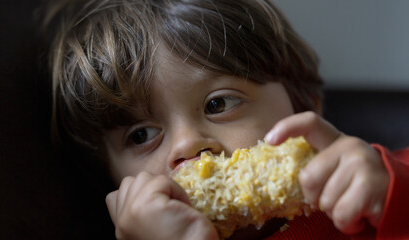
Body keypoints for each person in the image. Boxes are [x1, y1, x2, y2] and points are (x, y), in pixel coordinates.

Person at [46, 0, 409, 239]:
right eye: (141, 135)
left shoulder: (379, 181)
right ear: (109, 178)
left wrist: (394, 195)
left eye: (218, 104)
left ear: (304, 107)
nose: (188, 145)